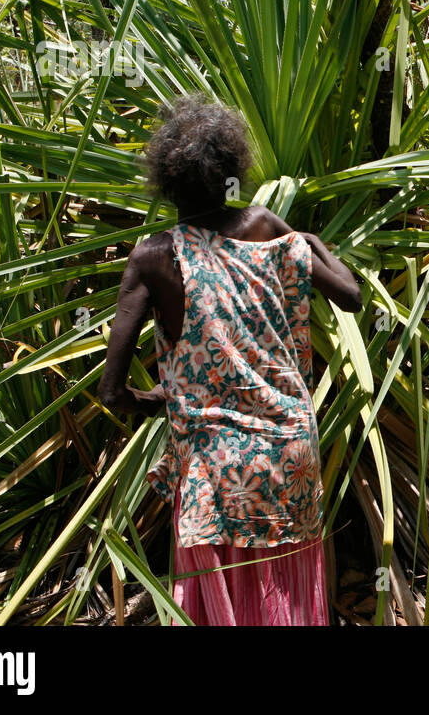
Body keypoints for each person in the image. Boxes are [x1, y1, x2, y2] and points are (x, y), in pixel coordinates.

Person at [98, 96, 362, 625]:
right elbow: (352, 296)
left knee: (216, 602)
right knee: (285, 590)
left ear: (166, 180)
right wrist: (308, 240)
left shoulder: (154, 256)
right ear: (232, 171)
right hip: (289, 449)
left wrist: (158, 402)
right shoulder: (266, 225)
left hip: (215, 466)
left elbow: (111, 392)